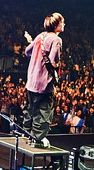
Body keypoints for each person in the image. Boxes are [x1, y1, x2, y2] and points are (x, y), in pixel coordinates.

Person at [24, 13, 65, 145]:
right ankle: (38, 139)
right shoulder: (56, 40)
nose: (64, 24)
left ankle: (26, 134)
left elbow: (27, 52)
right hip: (44, 83)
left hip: (31, 81)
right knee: (43, 112)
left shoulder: (40, 36)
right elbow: (53, 61)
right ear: (56, 25)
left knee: (31, 110)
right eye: (62, 22)